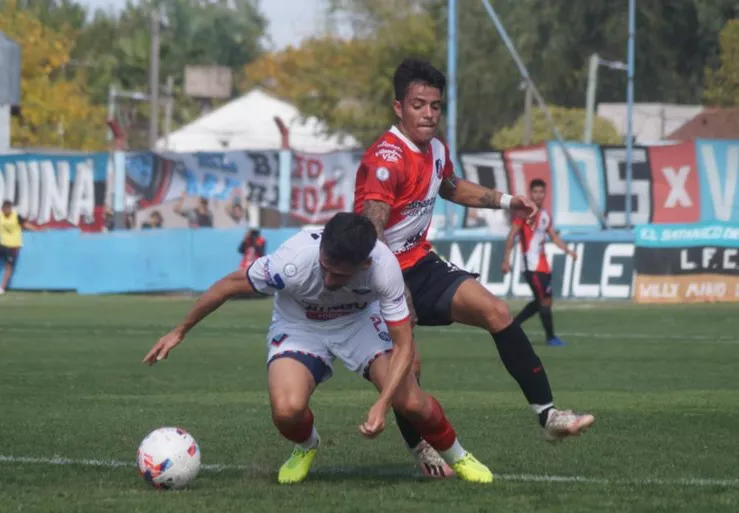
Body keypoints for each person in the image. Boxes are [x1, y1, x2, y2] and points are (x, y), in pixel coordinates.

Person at [354, 58, 594, 478]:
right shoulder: (385, 160)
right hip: (380, 276)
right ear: (398, 107)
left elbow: (450, 186)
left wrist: (506, 201)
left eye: (435, 105)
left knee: (496, 311)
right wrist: (393, 286)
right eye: (418, 105)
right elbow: (370, 236)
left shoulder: (436, 150)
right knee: (409, 372)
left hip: (422, 264)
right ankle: (422, 449)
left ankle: (549, 417)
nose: (428, 114)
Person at [143, 213, 493, 485]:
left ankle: (458, 455)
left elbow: (405, 343)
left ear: (365, 265)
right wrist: (180, 331)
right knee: (286, 410)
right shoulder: (292, 260)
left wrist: (382, 403)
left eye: (340, 276)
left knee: (411, 400)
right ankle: (307, 445)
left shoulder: (383, 268)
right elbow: (229, 285)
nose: (328, 280)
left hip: (359, 324)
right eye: (325, 268)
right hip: (300, 325)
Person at [502, 179, 578, 346]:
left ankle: (512, 326)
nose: (538, 195)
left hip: (543, 266)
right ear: (531, 193)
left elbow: (554, 237)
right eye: (535, 192)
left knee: (543, 301)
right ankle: (550, 338)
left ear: (545, 194)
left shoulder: (545, 215)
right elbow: (512, 235)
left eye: (541, 192)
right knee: (543, 300)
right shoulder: (523, 213)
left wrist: (568, 251)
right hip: (530, 266)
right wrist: (506, 259)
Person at [0, 201, 38, 295]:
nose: (7, 210)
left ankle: (2, 288)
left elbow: (25, 225)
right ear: (2, 209)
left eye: (9, 208)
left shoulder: (16, 216)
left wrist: (37, 229)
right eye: (5, 209)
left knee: (8, 266)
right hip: (2, 244)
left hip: (13, 245)